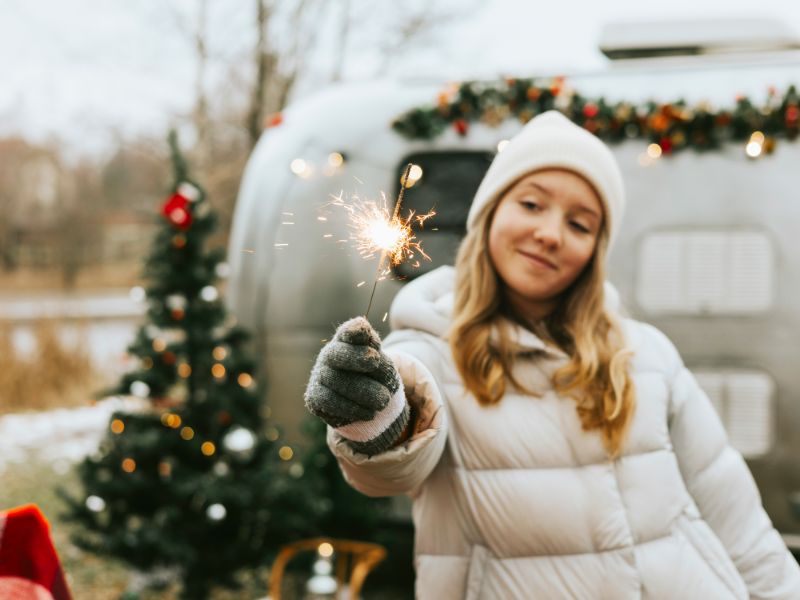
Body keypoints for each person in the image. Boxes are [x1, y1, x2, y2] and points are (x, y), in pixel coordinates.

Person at [304, 110, 800, 599]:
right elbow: (393, 457)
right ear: (491, 211)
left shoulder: (645, 354)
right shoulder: (429, 349)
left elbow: (736, 519)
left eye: (580, 224)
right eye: (532, 204)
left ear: (595, 250)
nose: (550, 233)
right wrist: (375, 413)